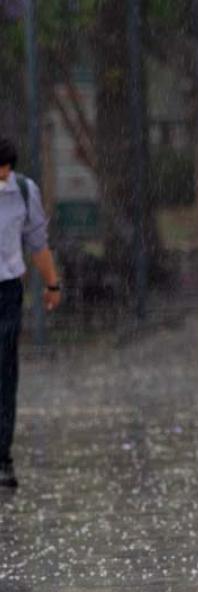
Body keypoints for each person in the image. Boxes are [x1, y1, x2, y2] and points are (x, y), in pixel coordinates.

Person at [0, 136, 62, 490]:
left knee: (5, 372)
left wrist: (52, 284)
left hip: (7, 290)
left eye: (5, 172)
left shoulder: (23, 191)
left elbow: (37, 241)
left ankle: (2, 455)